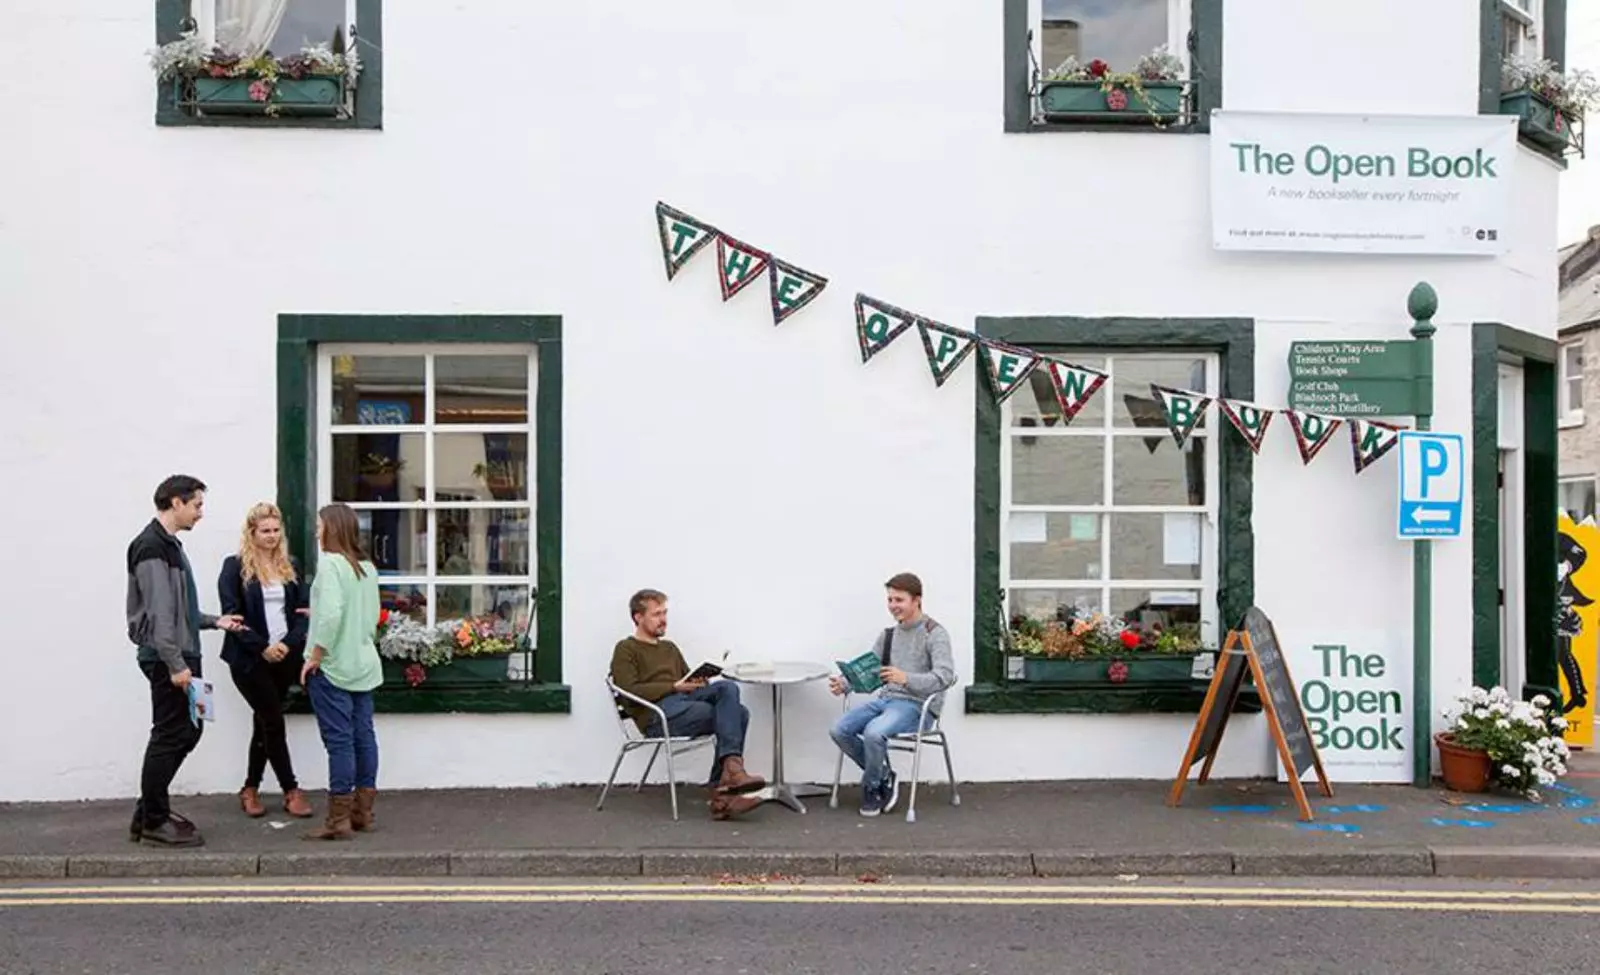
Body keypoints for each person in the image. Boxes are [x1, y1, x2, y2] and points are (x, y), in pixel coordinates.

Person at [126, 475, 244, 847]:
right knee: (169, 734)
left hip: (180, 652)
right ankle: (153, 820)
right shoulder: (151, 547)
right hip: (167, 657)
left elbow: (179, 609)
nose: (200, 513)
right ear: (175, 503)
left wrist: (214, 621)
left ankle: (148, 811)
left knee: (188, 730)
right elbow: (161, 616)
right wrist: (176, 665)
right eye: (197, 505)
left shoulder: (170, 545)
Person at [609, 589, 766, 820]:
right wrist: (674, 687)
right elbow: (629, 690)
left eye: (664, 613)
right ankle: (725, 791)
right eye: (656, 614)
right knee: (735, 714)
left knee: (729, 691)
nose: (663, 619)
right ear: (638, 617)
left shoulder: (669, 648)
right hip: (657, 715)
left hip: (683, 704)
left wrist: (697, 682)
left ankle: (730, 776)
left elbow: (684, 681)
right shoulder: (626, 649)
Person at [829, 572, 956, 817]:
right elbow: (870, 670)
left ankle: (872, 787)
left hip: (918, 707)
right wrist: (844, 683)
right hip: (886, 701)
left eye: (899, 600)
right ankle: (884, 775)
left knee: (874, 732)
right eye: (890, 600)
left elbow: (945, 677)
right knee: (839, 729)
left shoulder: (935, 633)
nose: (893, 606)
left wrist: (906, 678)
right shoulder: (888, 635)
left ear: (917, 600)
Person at [218, 502, 313, 820]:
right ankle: (291, 790)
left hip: (284, 658)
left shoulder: (291, 565)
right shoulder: (235, 567)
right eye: (265, 531)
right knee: (272, 720)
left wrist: (287, 644)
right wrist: (262, 647)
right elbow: (233, 617)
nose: (272, 537)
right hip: (248, 660)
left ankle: (249, 788)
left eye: (276, 530)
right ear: (252, 533)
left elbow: (303, 613)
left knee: (264, 723)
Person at [300, 503, 384, 841]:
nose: (316, 531)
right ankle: (361, 813)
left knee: (339, 742)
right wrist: (316, 611)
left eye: (319, 525)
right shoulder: (366, 567)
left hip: (334, 667)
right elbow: (370, 614)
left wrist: (315, 655)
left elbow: (333, 615)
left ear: (332, 528)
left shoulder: (331, 565)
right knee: (364, 737)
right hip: (364, 664)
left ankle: (337, 821)